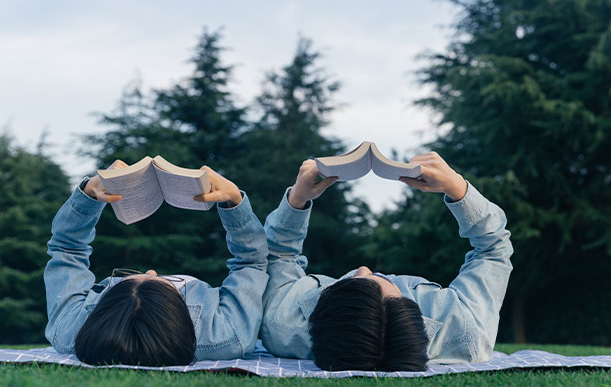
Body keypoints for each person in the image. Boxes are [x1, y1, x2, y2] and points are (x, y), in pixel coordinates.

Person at [260, 152, 514, 371]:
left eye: (350, 281)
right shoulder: (465, 331)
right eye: (382, 281)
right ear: (409, 309)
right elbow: (493, 249)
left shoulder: (282, 326)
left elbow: (279, 256)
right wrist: (458, 189)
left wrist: (297, 199)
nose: (364, 268)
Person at [44, 160, 268, 366]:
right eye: (163, 283)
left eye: (127, 277)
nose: (152, 271)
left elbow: (66, 249)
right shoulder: (225, 337)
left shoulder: (71, 330)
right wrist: (234, 202)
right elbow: (251, 263)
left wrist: (89, 194)